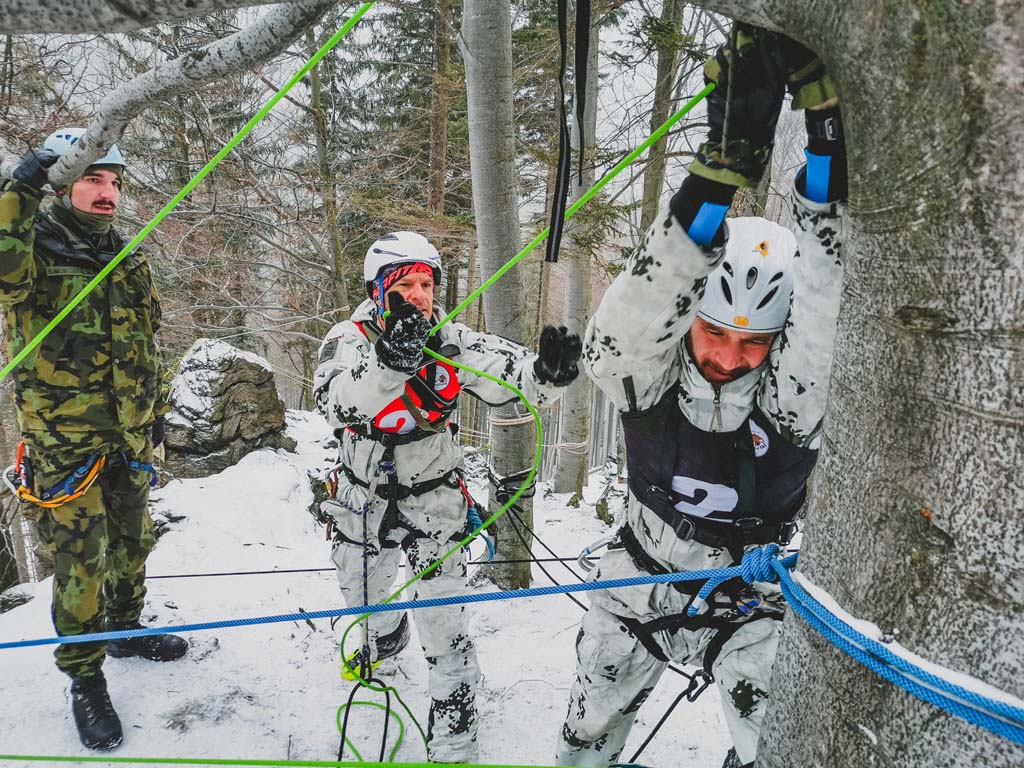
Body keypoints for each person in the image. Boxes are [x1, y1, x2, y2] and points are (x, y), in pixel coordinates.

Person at [555, 25, 847, 768]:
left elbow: (819, 310)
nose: (726, 358)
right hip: (637, 587)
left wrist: (826, 152)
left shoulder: (788, 398)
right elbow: (612, 343)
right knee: (588, 732)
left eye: (752, 343)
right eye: (715, 335)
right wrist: (712, 183)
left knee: (775, 743)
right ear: (692, 320)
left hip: (747, 604)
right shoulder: (653, 373)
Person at [314, 231, 581, 764]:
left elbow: (512, 374)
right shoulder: (349, 339)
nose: (419, 295)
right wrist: (390, 361)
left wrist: (547, 375)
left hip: (434, 500)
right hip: (360, 498)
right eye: (406, 284)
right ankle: (385, 639)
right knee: (362, 595)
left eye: (427, 284)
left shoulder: (451, 339)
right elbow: (334, 402)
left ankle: (455, 739)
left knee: (445, 626)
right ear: (378, 290)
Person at [0, 128, 186, 751]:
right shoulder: (34, 250)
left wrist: (156, 413)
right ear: (64, 185)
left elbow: (146, 342)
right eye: (92, 179)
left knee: (133, 540)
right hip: (65, 444)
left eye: (113, 182)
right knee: (81, 564)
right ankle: (84, 677)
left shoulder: (128, 255)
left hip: (128, 438)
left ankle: (125, 627)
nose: (107, 193)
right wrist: (22, 185)